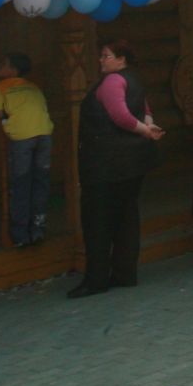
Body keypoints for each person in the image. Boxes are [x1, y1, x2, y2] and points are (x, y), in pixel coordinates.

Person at [71, 41, 162, 298]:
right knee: (126, 217)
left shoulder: (112, 82)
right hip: (132, 163)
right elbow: (145, 112)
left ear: (121, 59)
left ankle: (96, 279)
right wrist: (149, 127)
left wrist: (145, 131)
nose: (102, 60)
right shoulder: (134, 80)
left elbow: (120, 115)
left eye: (106, 56)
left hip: (106, 164)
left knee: (98, 220)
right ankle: (125, 273)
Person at [0, 53, 53, 248]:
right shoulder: (33, 86)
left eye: (3, 64)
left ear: (13, 70)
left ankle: (21, 234)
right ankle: (38, 227)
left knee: (21, 183)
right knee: (41, 181)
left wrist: (7, 118)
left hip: (22, 137)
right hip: (44, 133)